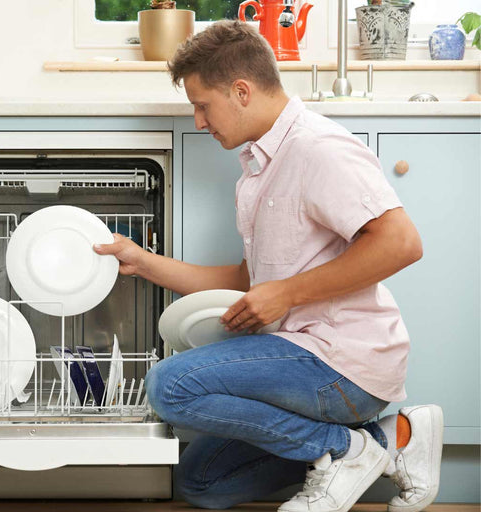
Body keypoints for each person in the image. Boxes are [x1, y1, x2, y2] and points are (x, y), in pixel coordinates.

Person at [93, 20, 443, 512]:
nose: (197, 121)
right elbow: (247, 281)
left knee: (169, 385)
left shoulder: (317, 148)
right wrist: (143, 262)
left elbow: (402, 244)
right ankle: (391, 440)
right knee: (202, 483)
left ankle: (346, 449)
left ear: (240, 90)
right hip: (294, 354)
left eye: (202, 105)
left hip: (340, 362)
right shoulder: (258, 169)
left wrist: (286, 294)